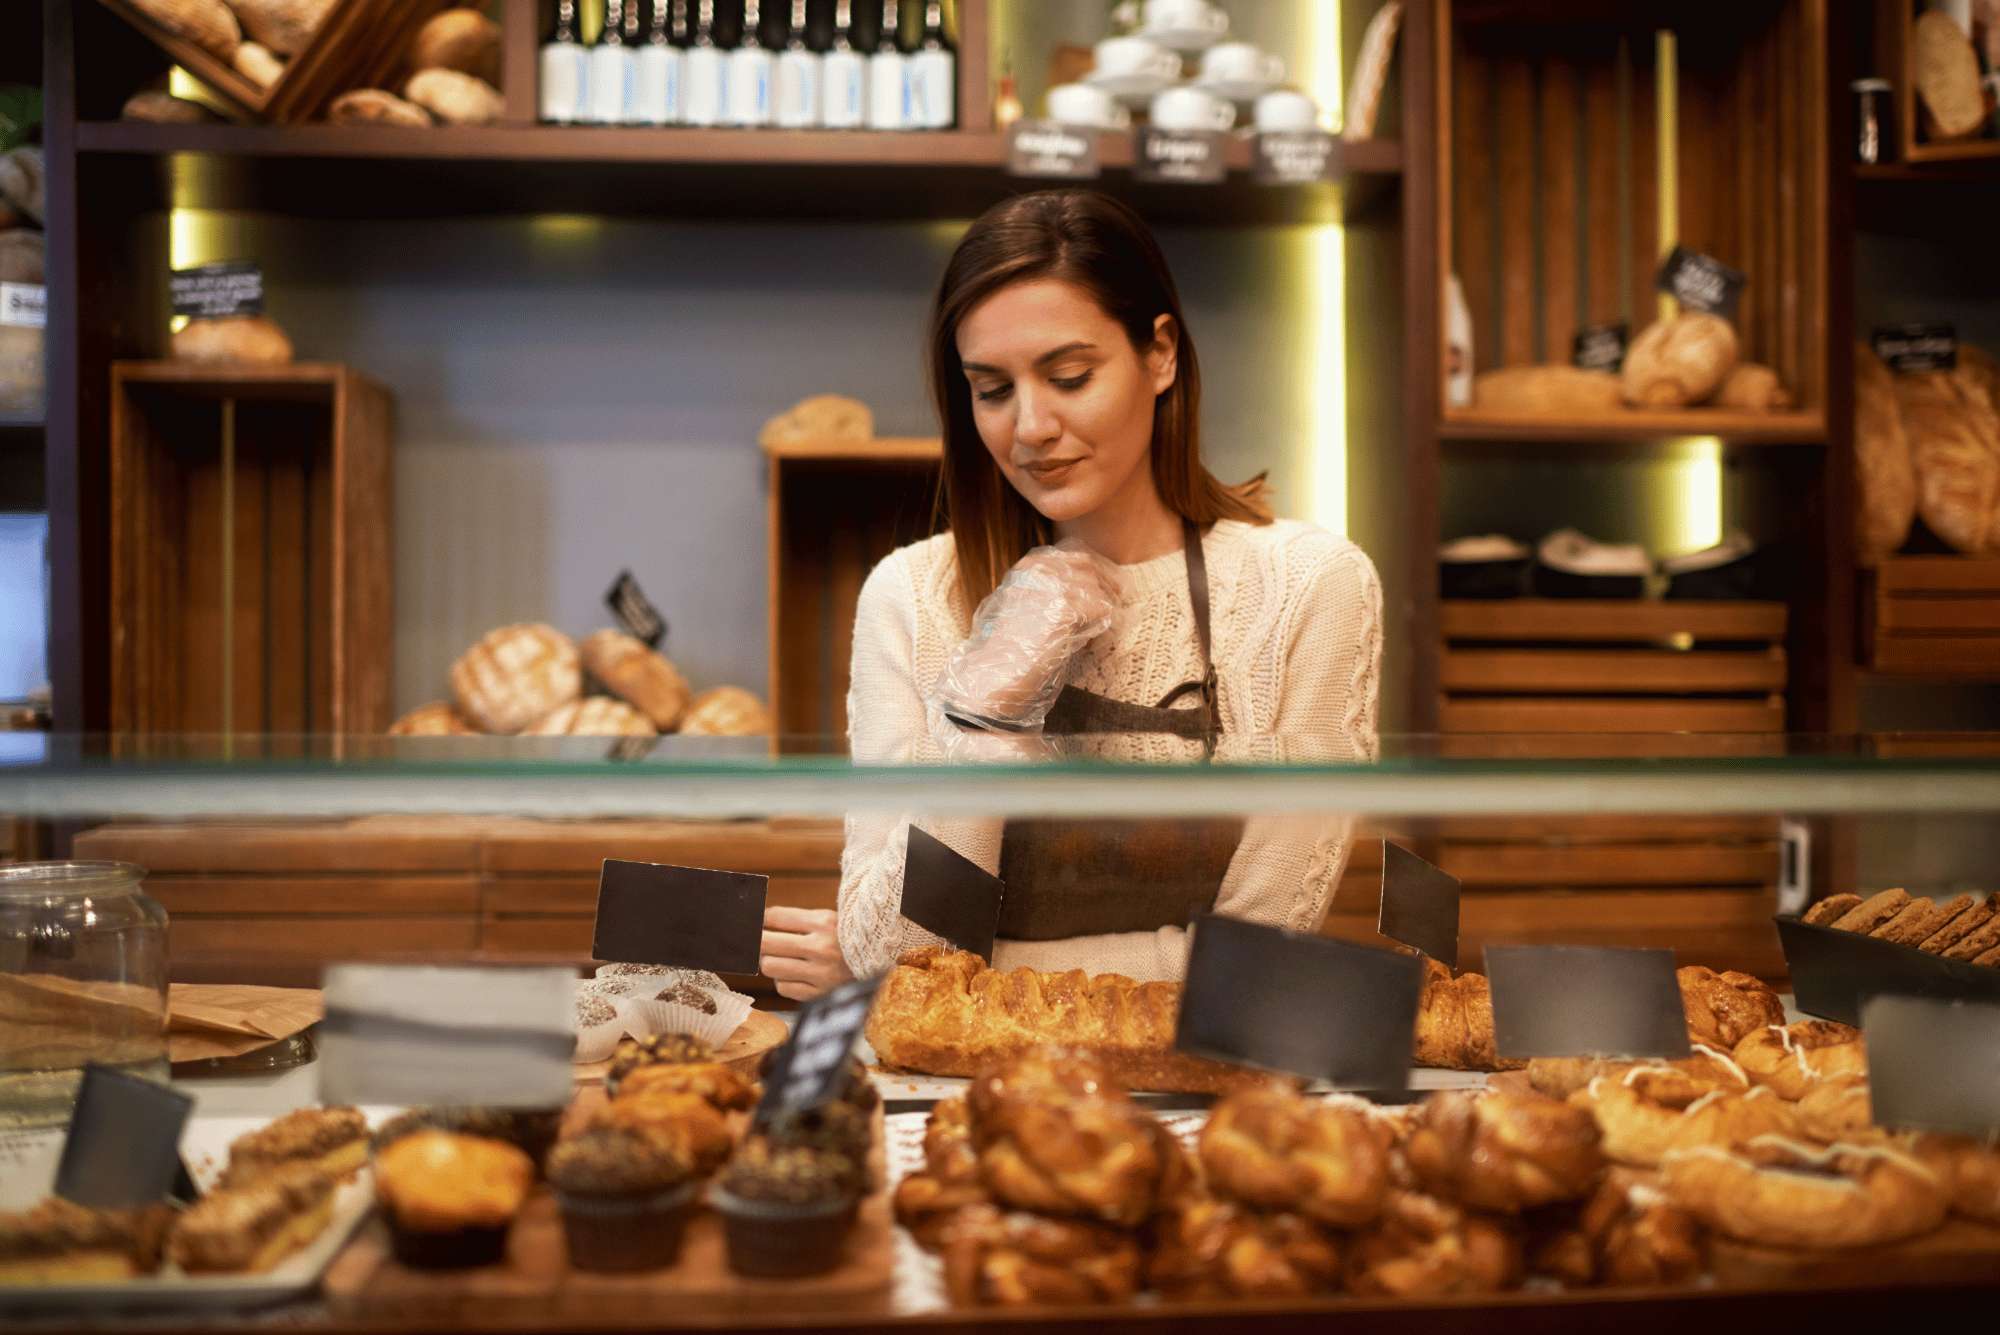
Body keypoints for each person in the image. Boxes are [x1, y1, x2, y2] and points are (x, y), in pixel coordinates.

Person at [758, 189, 1381, 1000]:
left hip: (1195, 1087)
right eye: (992, 390)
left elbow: (1252, 969)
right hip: (954, 1095)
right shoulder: (911, 594)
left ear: (1160, 354)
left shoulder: (1308, 587)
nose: (1030, 427)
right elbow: (897, 950)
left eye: (1069, 375)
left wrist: (990, 972)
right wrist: (987, 706)